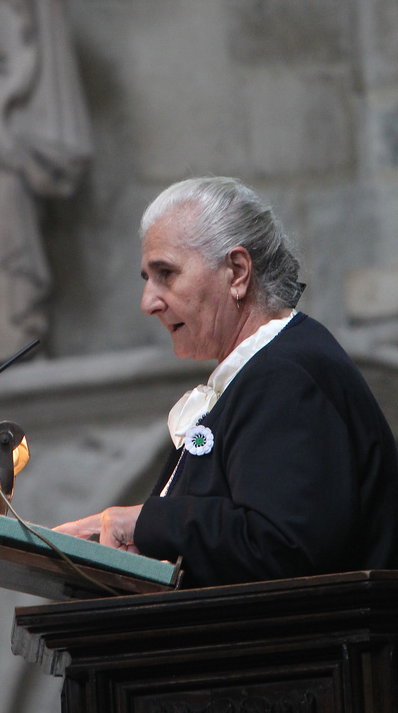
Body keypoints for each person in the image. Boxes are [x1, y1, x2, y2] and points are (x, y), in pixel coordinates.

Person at [55, 176, 398, 587]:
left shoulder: (286, 375)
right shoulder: (267, 370)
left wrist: (147, 522)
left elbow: (283, 548)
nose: (148, 302)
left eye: (166, 273)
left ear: (237, 272)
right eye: (147, 278)